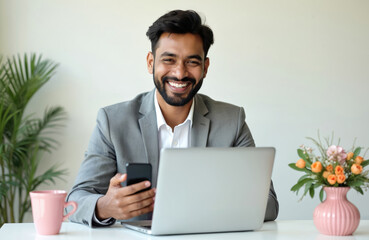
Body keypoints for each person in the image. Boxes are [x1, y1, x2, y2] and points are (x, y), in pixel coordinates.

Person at [67, 9, 279, 227]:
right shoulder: (112, 122)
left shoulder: (232, 121)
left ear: (205, 67)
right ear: (151, 62)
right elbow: (75, 201)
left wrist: (203, 204)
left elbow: (269, 204)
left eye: (192, 62)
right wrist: (104, 206)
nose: (180, 73)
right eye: (169, 59)